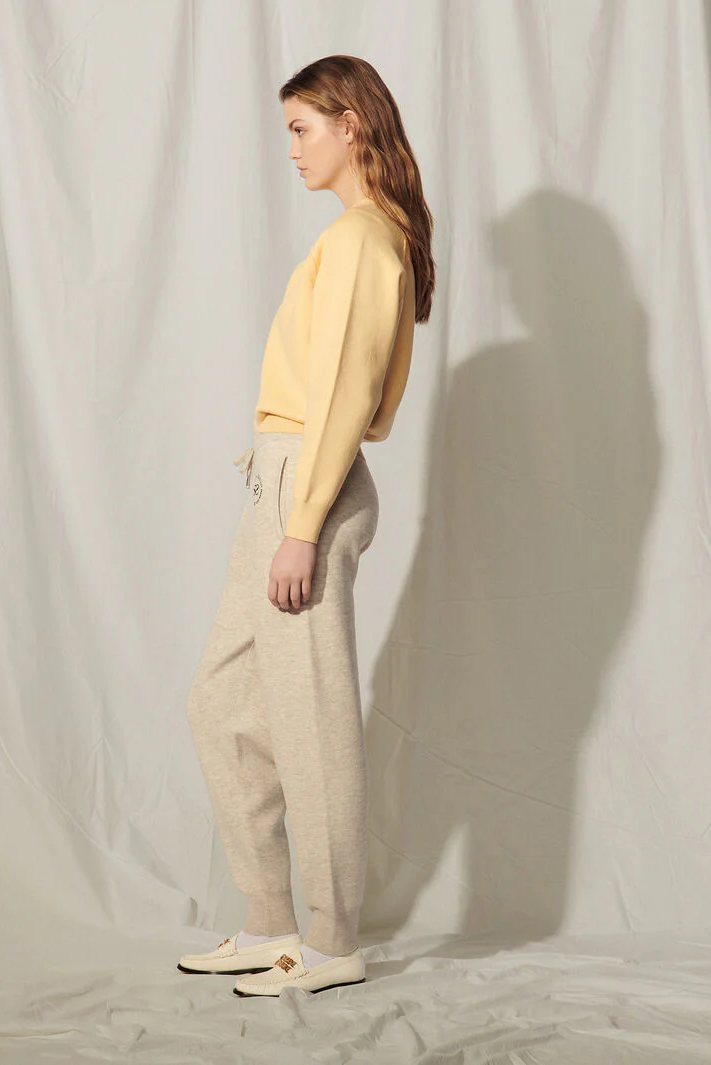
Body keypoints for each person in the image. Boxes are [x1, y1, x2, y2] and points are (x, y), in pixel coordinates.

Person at [178, 54, 435, 996]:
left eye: (301, 129)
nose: (291, 149)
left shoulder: (366, 240)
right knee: (222, 702)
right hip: (283, 481)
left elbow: (344, 396)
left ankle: (331, 941)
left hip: (307, 487)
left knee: (312, 719)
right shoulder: (354, 236)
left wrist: (304, 523)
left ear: (349, 126)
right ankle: (269, 921)